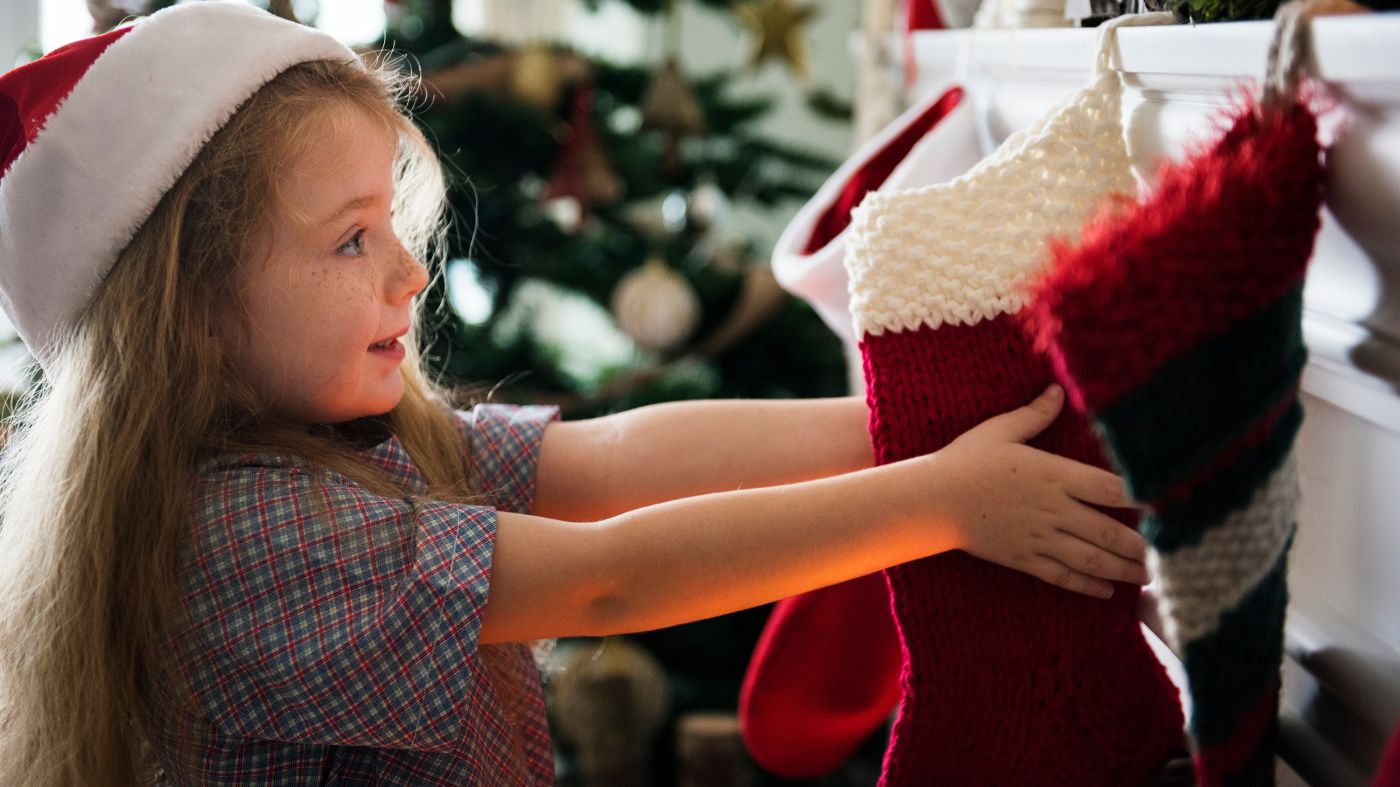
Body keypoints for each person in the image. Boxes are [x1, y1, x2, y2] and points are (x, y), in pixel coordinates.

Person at [0, 4, 1151, 785]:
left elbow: (608, 462)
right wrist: (942, 501)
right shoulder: (241, 528)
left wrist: (907, 431)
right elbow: (608, 580)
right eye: (352, 241)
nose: (408, 272)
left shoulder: (343, 438)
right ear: (190, 311)